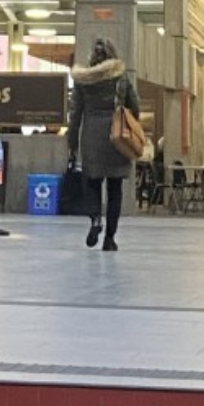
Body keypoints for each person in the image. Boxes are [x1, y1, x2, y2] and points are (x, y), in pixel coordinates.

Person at [67, 38, 140, 252]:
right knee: (115, 188)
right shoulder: (121, 77)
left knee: (92, 183)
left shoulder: (83, 80)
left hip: (91, 137)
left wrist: (72, 143)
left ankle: (95, 220)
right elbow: (134, 106)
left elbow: (75, 114)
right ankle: (110, 239)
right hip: (116, 137)